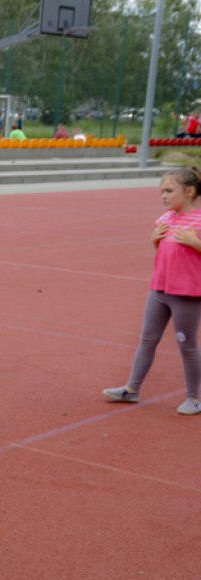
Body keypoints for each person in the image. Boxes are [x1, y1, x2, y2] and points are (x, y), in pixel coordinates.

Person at [103, 167, 201, 416]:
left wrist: (196, 243)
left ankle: (195, 398)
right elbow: (167, 253)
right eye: (161, 191)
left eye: (169, 191)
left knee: (187, 346)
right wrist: (154, 241)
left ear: (189, 191)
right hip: (158, 290)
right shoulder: (166, 218)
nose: (164, 196)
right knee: (147, 340)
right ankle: (131, 389)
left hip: (186, 294)